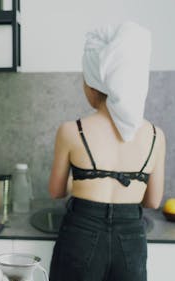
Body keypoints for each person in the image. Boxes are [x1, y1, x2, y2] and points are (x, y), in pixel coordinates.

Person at [48, 22, 166, 281]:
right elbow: (153, 201)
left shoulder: (71, 130)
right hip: (131, 240)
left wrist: (77, 181)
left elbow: (56, 191)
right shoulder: (155, 135)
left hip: (81, 234)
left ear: (92, 85)